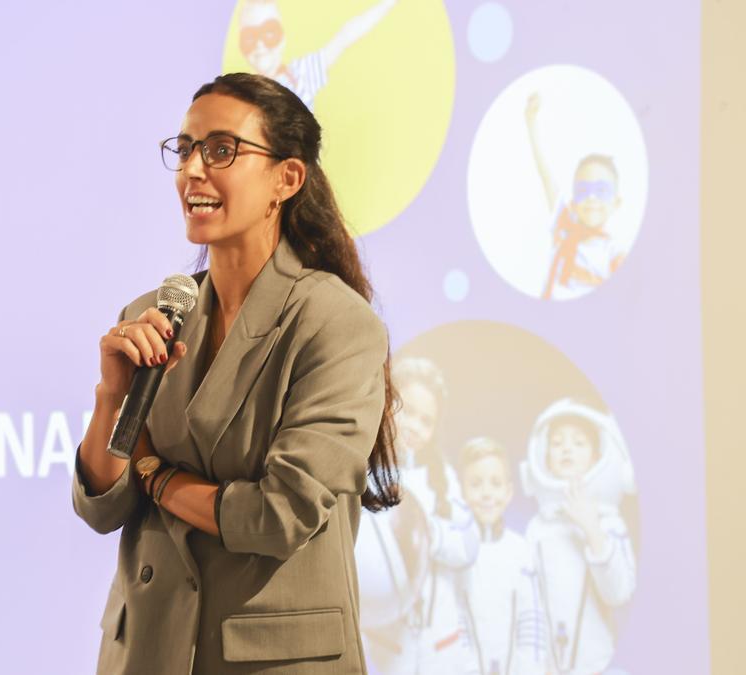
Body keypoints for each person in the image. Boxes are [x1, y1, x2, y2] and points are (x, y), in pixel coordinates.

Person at [71, 72, 401, 674]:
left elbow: (279, 515)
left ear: (287, 178)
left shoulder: (336, 323)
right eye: (186, 149)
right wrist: (112, 396)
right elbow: (100, 508)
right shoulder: (151, 313)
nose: (193, 170)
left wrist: (156, 475)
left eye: (221, 150)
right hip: (147, 650)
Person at [361, 356, 478, 674]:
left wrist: (427, 534)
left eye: (427, 420)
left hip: (441, 645)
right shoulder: (365, 474)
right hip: (386, 645)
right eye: (408, 412)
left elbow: (468, 546)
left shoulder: (442, 480)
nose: (415, 426)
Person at [519, 399, 637, 673]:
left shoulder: (609, 522)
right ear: (544, 458)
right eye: (557, 443)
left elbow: (618, 593)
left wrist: (591, 528)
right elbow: (528, 604)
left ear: (597, 457)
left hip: (598, 665)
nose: (566, 449)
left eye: (579, 443)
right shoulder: (538, 528)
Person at [456, 437, 547, 675]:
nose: (487, 494)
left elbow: (532, 620)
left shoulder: (521, 550)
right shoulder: (455, 552)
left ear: (508, 492)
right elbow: (455, 624)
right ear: (462, 491)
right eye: (476, 484)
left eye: (495, 484)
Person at [524, 92, 627, 300]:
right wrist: (531, 123)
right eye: (583, 190)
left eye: (601, 190)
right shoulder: (563, 225)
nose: (592, 198)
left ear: (616, 203)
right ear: (573, 202)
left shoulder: (613, 253)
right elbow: (546, 177)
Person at [239, 0, 399, 111]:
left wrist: (387, 3)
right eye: (250, 37)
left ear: (282, 37)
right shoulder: (240, 95)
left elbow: (345, 36)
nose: (260, 45)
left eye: (269, 32)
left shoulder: (301, 73)